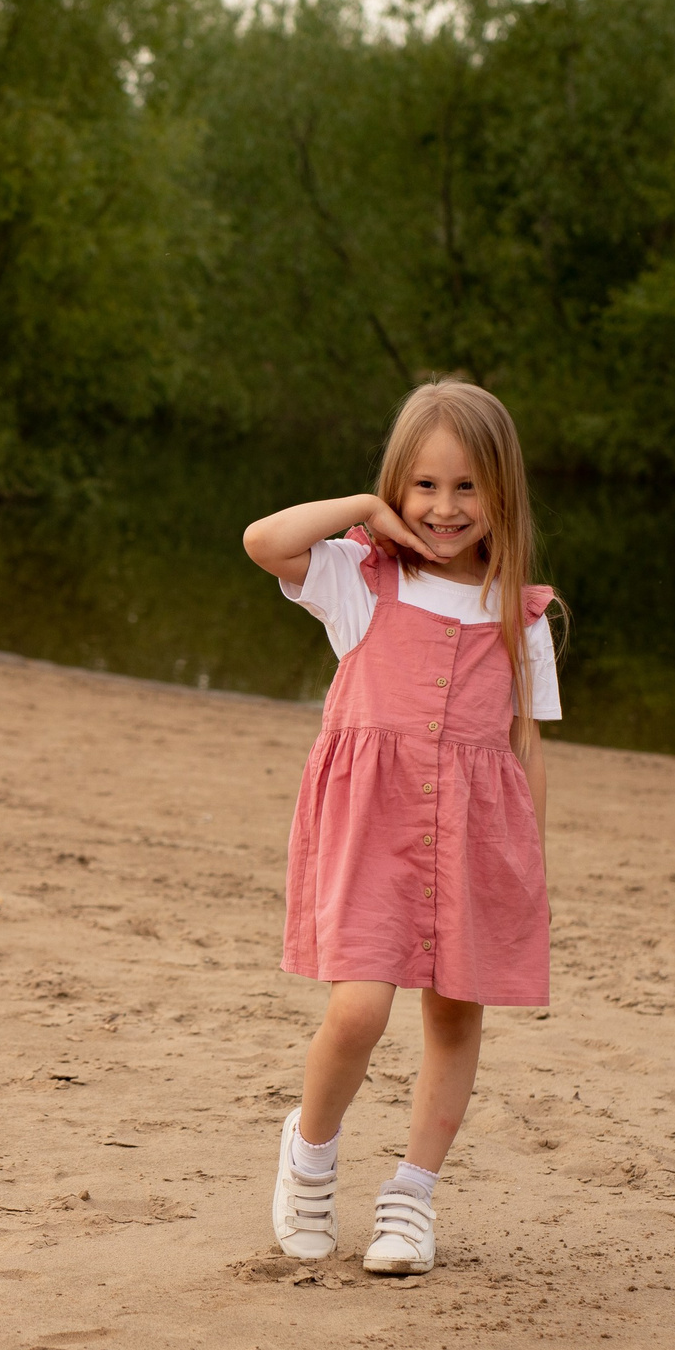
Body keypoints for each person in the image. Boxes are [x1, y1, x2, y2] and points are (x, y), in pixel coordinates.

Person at [240, 378, 561, 1274]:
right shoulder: (359, 579)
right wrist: (362, 510)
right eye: (424, 485)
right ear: (396, 488)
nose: (445, 507)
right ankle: (309, 1152)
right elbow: (263, 541)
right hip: (372, 830)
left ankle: (410, 1199)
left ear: (502, 494)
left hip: (472, 844)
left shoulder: (518, 614)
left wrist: (528, 868)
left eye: (467, 487)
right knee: (360, 1007)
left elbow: (523, 746)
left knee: (456, 1018)